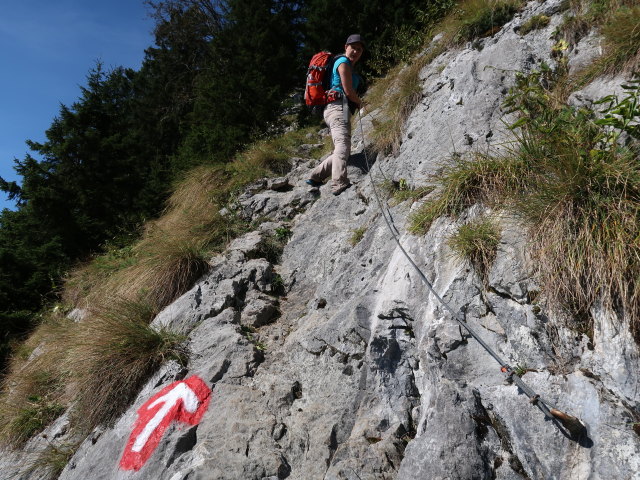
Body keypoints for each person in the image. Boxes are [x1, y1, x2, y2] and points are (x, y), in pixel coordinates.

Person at [306, 34, 365, 196]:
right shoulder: (343, 62)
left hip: (336, 108)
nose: (356, 51)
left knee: (342, 149)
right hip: (338, 106)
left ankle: (316, 176)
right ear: (346, 47)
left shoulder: (347, 66)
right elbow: (348, 91)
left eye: (359, 50)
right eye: (353, 47)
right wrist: (361, 103)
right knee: (343, 146)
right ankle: (338, 182)